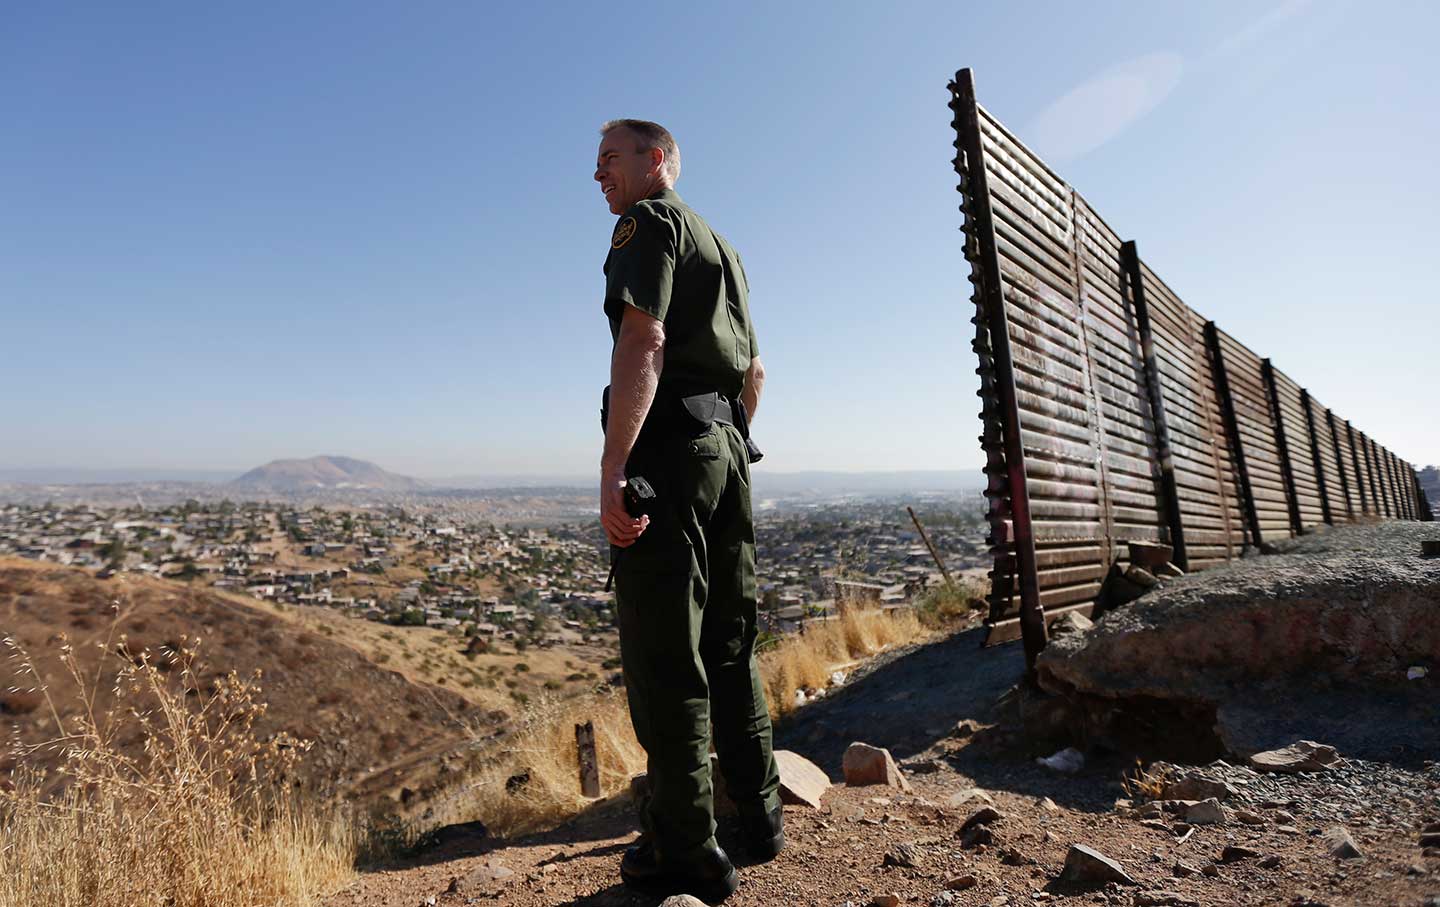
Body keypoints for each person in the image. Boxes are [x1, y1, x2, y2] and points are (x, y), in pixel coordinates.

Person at [594, 118, 781, 904]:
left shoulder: (652, 224)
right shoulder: (724, 247)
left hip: (671, 452)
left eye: (610, 159)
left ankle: (685, 850)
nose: (598, 175)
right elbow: (757, 371)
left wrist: (613, 462)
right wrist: (728, 441)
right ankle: (759, 811)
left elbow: (645, 337)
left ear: (657, 160)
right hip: (728, 454)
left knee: (668, 651)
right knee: (731, 636)